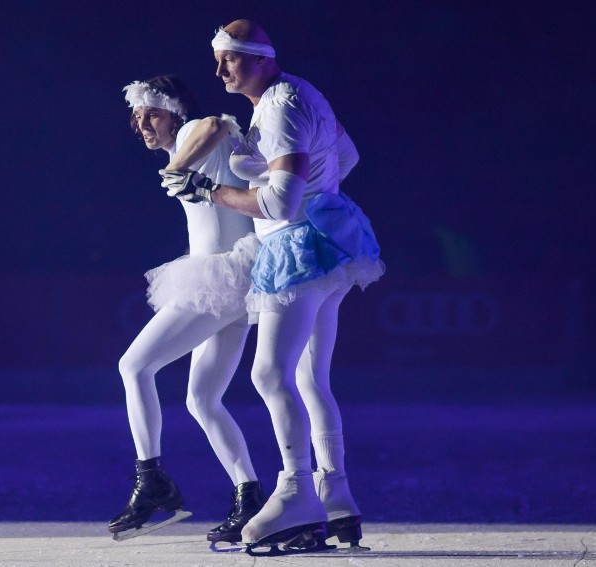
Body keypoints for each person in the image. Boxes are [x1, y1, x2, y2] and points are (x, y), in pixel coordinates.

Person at [160, 21, 383, 551]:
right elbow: (346, 157)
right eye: (216, 60)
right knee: (311, 380)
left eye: (230, 60)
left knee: (268, 374)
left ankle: (296, 494)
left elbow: (279, 203)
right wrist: (315, 190)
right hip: (330, 240)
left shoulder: (280, 106)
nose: (218, 71)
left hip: (297, 247)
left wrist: (210, 190)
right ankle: (337, 497)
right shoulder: (301, 92)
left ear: (261, 58)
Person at [108, 75, 266, 544]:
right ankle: (249, 495)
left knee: (134, 366)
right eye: (137, 118)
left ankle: (152, 480)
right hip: (228, 285)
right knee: (202, 399)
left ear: (176, 112)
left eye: (151, 114)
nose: (142, 125)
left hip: (222, 277)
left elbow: (217, 122)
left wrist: (175, 165)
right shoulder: (188, 149)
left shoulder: (200, 128)